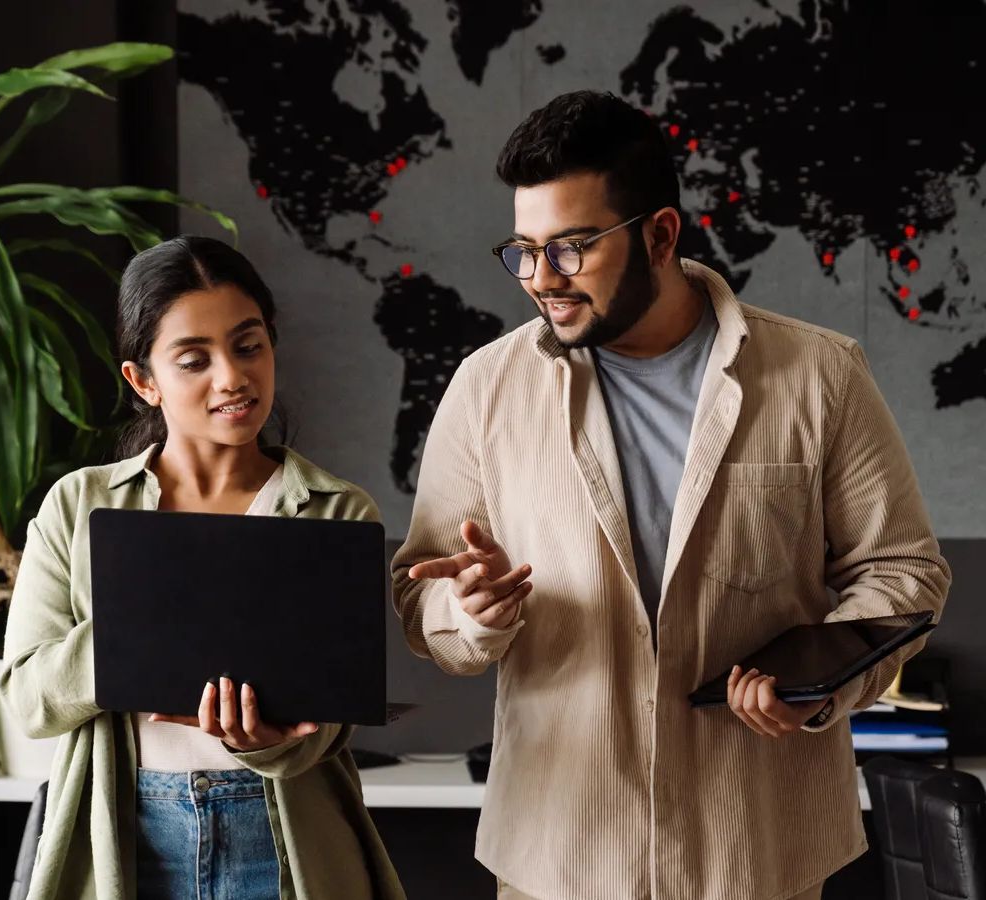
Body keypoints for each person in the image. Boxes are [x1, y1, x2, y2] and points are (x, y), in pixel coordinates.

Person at [391, 91, 951, 900]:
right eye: (525, 250)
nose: (541, 279)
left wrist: (819, 685)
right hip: (559, 857)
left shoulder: (820, 374)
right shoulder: (486, 388)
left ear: (659, 234)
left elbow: (903, 571)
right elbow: (422, 599)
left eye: (573, 248)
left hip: (759, 851)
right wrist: (473, 615)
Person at [0, 236, 405, 900]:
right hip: (127, 838)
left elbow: (328, 727)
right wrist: (143, 621)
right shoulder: (79, 504)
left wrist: (265, 742)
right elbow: (29, 698)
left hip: (282, 841)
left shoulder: (336, 511)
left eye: (248, 346)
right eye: (194, 359)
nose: (232, 378)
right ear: (144, 381)